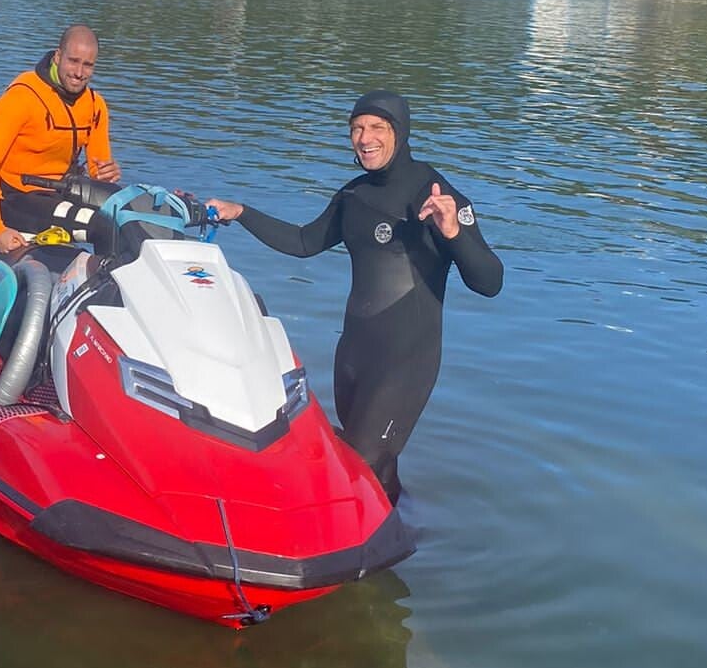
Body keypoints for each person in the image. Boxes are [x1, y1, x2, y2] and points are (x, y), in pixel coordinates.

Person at [208, 90, 501, 501]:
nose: (365, 138)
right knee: (373, 466)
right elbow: (304, 242)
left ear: (400, 131)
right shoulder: (353, 196)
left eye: (377, 127)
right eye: (356, 129)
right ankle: (403, 529)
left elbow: (490, 282)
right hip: (354, 355)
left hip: (405, 359)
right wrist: (241, 213)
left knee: (356, 464)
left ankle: (341, 536)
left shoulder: (436, 196)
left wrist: (453, 233)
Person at [0, 24, 122, 254]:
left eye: (87, 65)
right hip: (16, 198)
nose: (79, 72)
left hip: (61, 194)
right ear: (57, 57)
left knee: (126, 215)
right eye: (73, 61)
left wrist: (107, 175)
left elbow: (97, 171)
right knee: (102, 226)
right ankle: (105, 274)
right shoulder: (22, 97)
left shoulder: (95, 105)